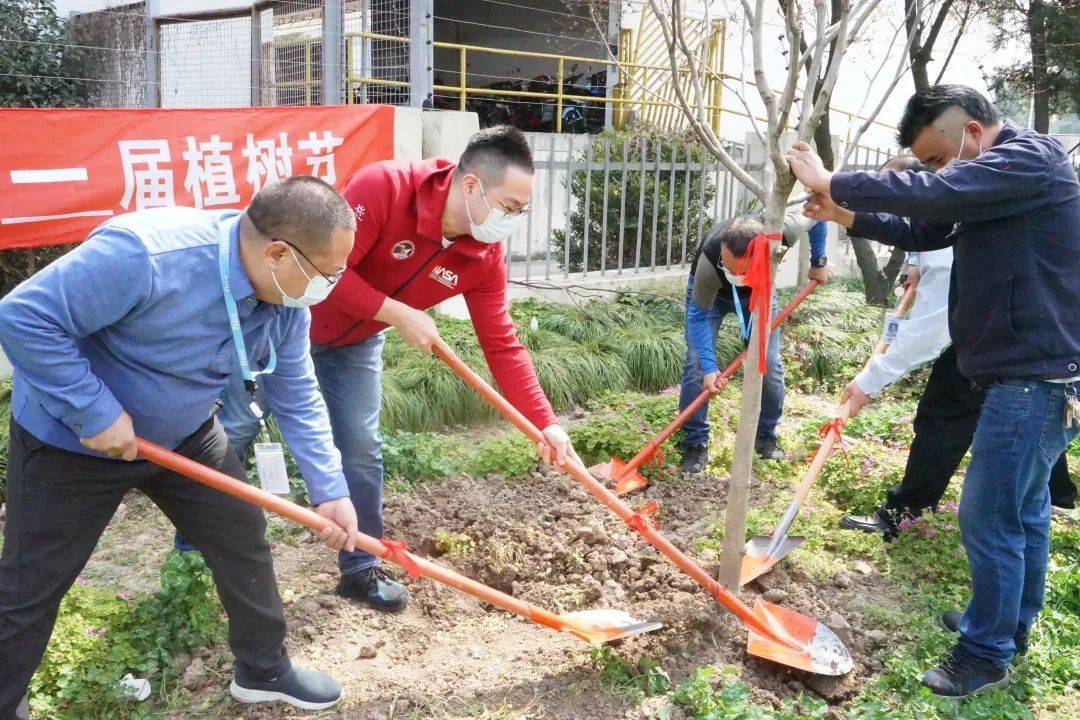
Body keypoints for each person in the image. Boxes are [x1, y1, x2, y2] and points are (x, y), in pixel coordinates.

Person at [0, 177, 363, 718]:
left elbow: (296, 390)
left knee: (241, 539)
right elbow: (23, 316)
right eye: (327, 272)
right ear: (278, 252)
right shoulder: (146, 257)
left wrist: (329, 487)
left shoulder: (286, 296)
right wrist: (93, 409)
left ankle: (263, 670)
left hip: (187, 435)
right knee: (32, 587)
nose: (331, 284)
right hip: (70, 444)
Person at [210, 126, 579, 613]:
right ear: (470, 186)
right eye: (510, 206)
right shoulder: (383, 188)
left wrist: (543, 422)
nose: (512, 220)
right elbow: (328, 273)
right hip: (277, 323)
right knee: (231, 431)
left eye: (520, 211)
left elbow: (502, 344)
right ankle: (195, 559)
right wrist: (397, 312)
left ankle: (360, 568)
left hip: (354, 344)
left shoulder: (484, 255)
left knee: (361, 448)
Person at [788, 84, 1080, 697]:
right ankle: (1008, 626)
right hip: (1025, 373)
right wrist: (847, 215)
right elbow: (931, 226)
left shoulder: (1032, 159)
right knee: (1022, 511)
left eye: (939, 157)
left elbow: (937, 196)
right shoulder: (999, 188)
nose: (935, 172)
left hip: (1035, 378)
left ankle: (984, 653)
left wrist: (835, 178)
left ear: (973, 132)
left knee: (990, 512)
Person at [678, 213, 832, 473]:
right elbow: (698, 317)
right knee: (696, 366)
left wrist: (819, 261)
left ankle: (766, 435)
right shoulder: (709, 261)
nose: (731, 273)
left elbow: (817, 215)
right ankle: (695, 443)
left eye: (737, 270)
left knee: (769, 363)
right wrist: (709, 367)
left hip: (759, 293)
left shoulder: (780, 232)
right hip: (712, 298)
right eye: (727, 266)